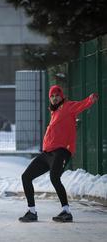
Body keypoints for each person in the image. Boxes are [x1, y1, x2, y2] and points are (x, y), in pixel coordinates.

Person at [19, 85, 99, 223]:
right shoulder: (54, 112)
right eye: (52, 96)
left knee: (54, 177)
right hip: (47, 153)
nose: (54, 98)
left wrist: (90, 100)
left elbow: (80, 105)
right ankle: (32, 212)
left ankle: (66, 212)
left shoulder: (67, 106)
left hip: (61, 151)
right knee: (26, 177)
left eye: (57, 95)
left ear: (61, 96)